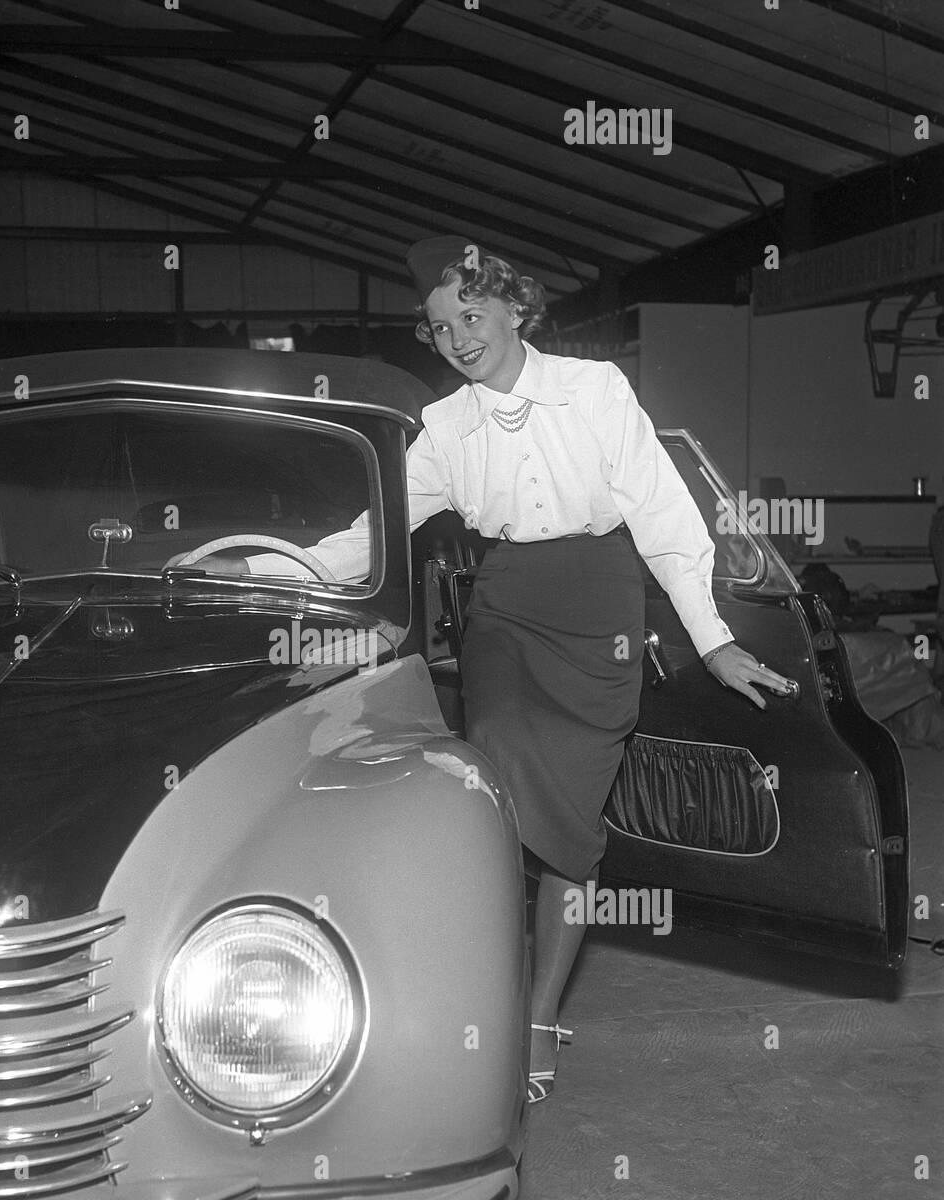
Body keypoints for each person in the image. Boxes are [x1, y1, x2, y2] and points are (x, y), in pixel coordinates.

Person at [183, 236, 793, 1103]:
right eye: (440, 326)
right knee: (497, 803)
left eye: (472, 314)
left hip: (600, 617)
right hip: (507, 616)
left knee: (574, 834)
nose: (459, 336)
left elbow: (662, 513)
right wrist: (254, 570)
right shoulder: (443, 429)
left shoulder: (595, 391)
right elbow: (369, 537)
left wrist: (713, 636)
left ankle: (541, 1015)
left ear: (515, 308)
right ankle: (486, 1006)